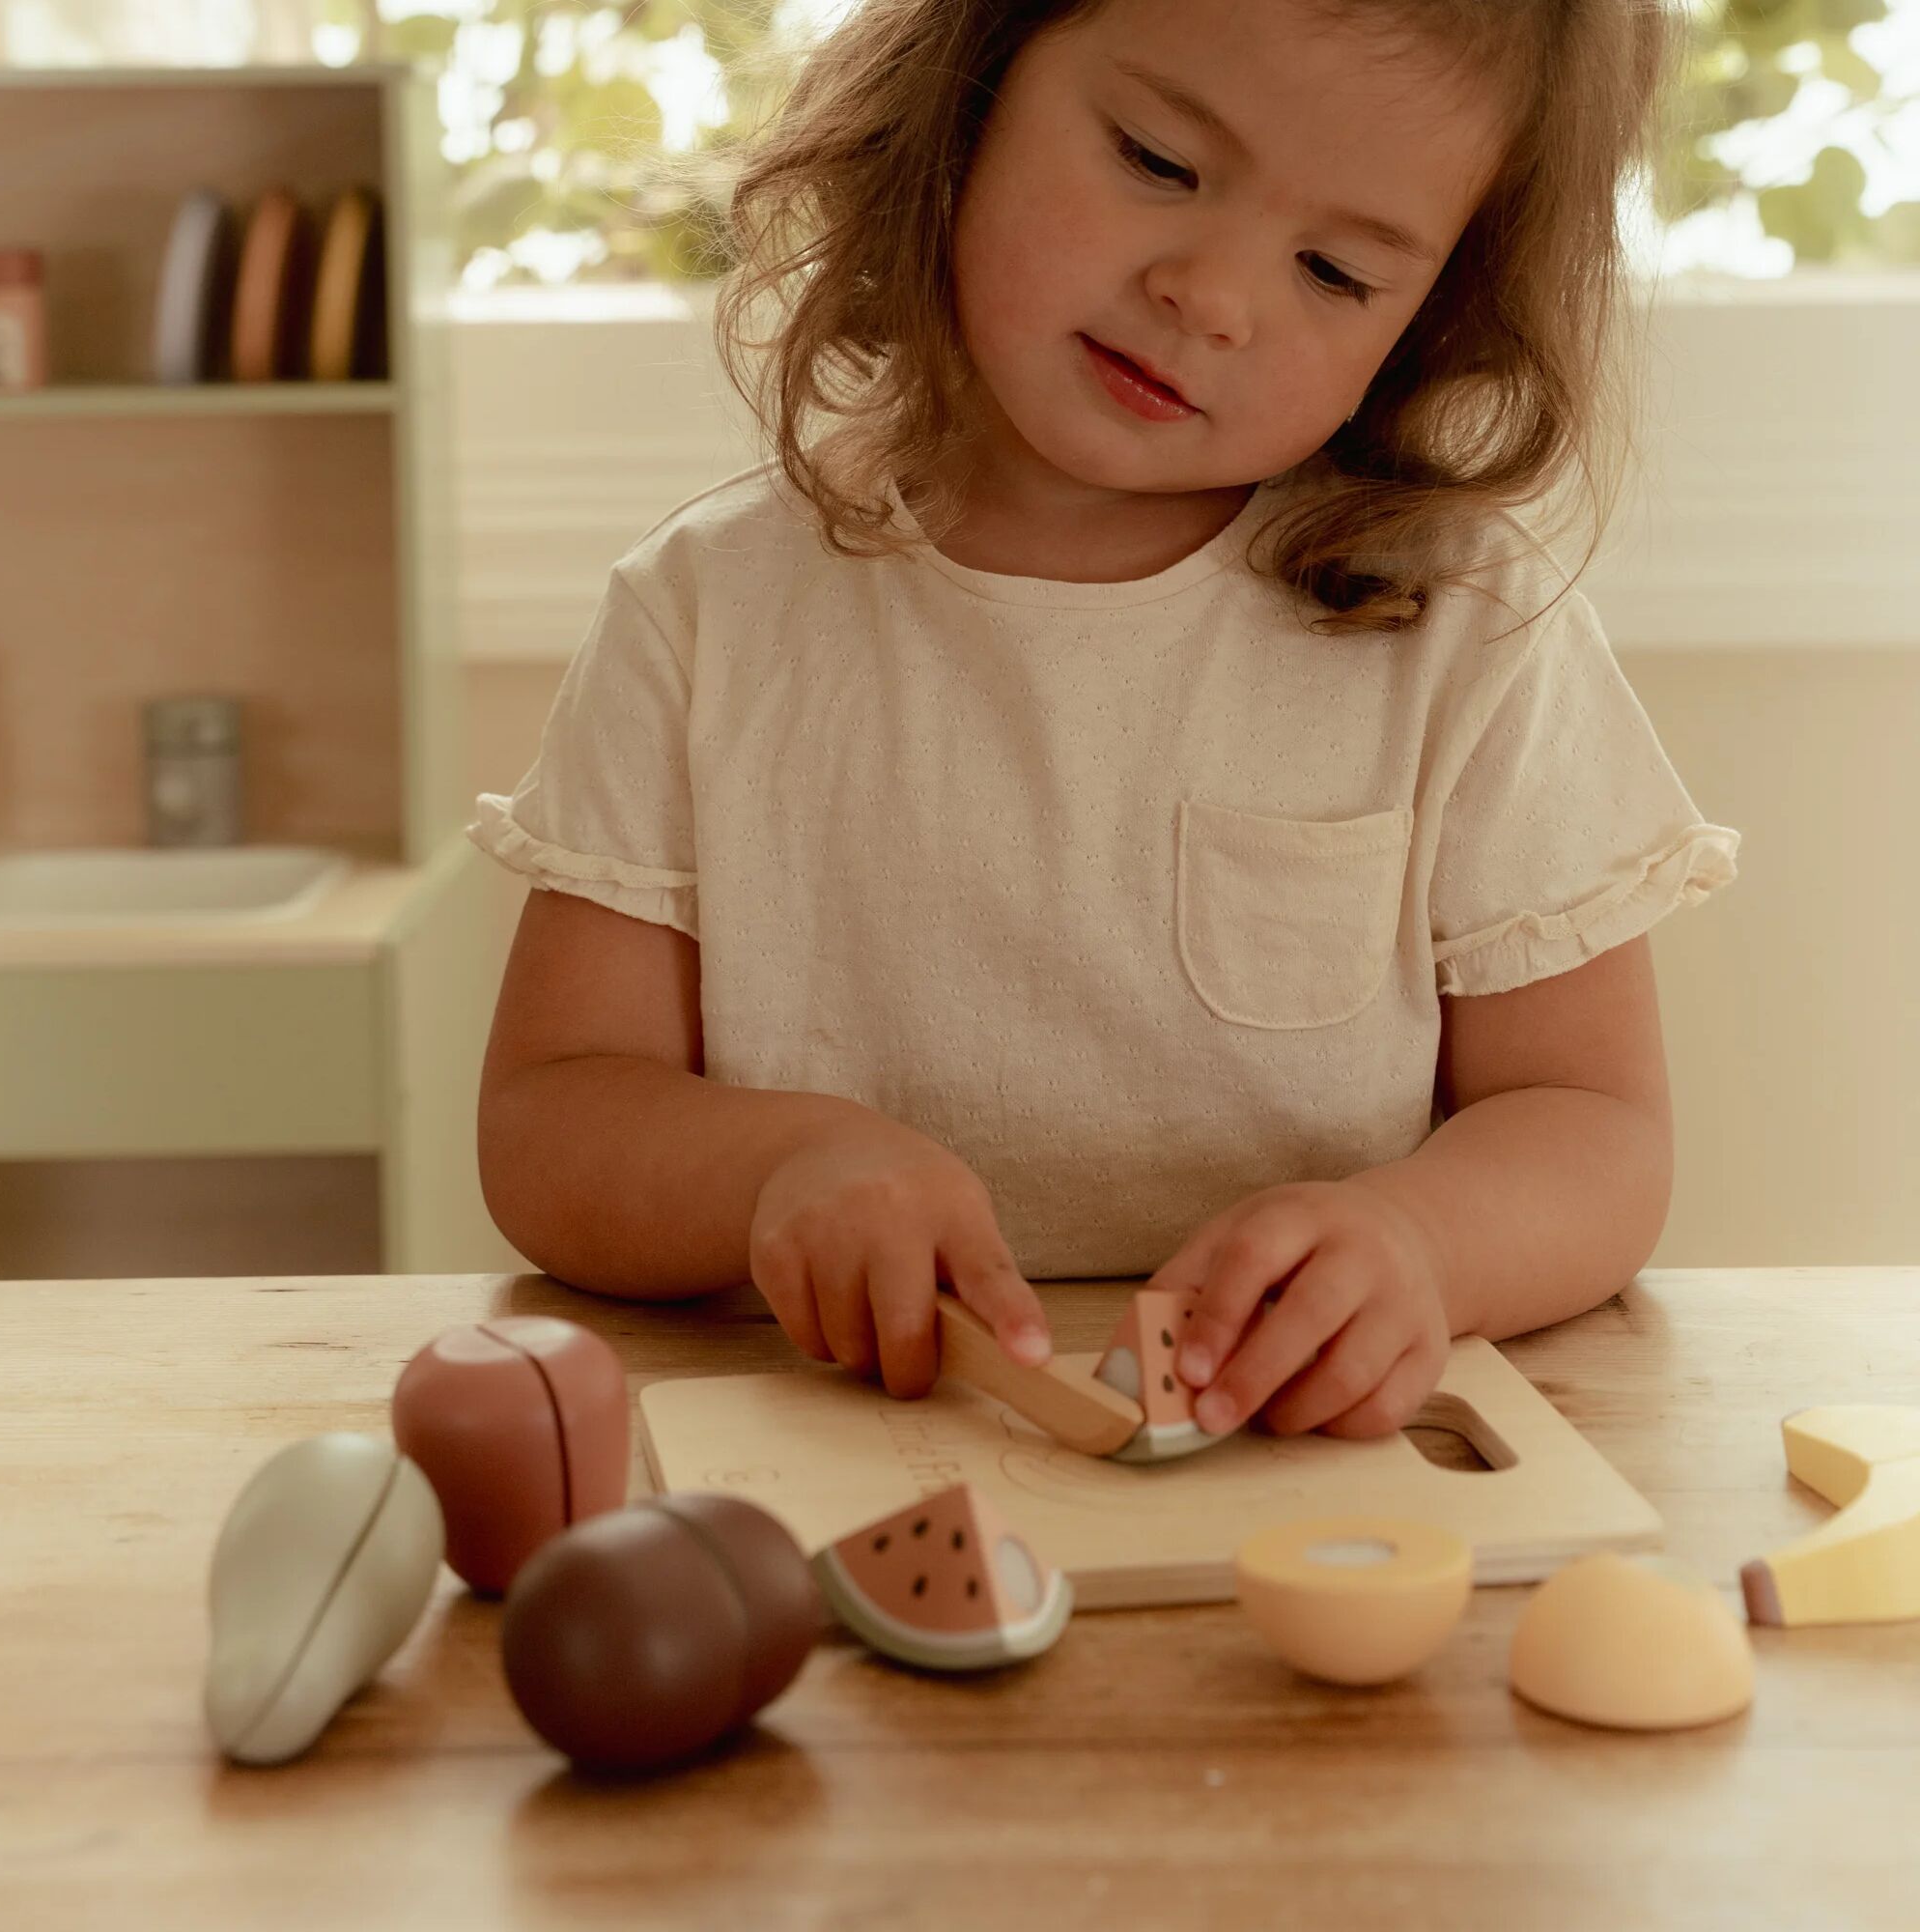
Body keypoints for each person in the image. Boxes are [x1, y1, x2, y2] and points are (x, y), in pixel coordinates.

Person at [470, 0, 1739, 1444]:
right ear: (973, 84)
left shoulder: (1466, 634)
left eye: (1334, 269)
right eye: (1156, 159)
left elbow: (1595, 1128)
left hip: (1300, 1470)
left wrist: (1422, 1249)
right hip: (822, 1447)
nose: (1212, 294)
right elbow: (550, 1123)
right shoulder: (705, 618)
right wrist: (778, 1169)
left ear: (1436, 318)